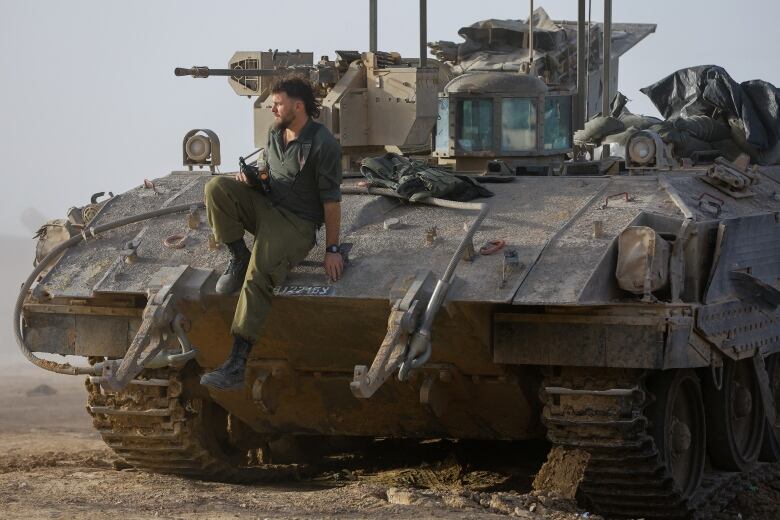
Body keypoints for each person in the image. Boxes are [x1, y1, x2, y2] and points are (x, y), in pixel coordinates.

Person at [200, 76, 343, 391]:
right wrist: (253, 180)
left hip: (297, 223)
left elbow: (332, 201)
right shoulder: (274, 133)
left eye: (277, 104)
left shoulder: (323, 144)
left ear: (297, 105)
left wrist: (332, 249)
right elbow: (267, 169)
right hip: (266, 206)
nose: (273, 109)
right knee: (217, 187)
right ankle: (238, 255)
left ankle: (237, 364)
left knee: (259, 274)